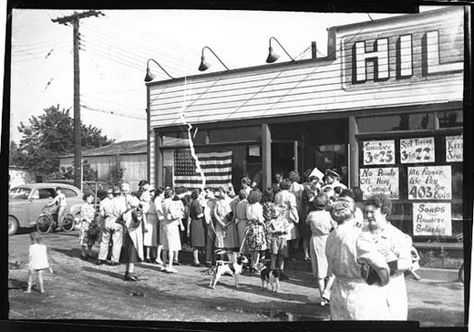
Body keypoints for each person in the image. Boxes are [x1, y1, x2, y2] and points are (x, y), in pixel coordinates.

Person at [325, 197, 391, 320]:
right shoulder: (357, 236)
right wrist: (384, 281)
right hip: (360, 293)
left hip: (338, 291)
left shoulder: (330, 237)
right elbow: (380, 265)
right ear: (354, 213)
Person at [363, 194, 413, 320]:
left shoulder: (396, 235)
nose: (368, 216)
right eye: (366, 212)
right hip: (365, 289)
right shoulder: (360, 232)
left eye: (372, 212)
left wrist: (383, 268)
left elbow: (407, 262)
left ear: (384, 212)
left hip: (390, 289)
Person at [305, 194, 337, 306]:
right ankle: (327, 291)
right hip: (328, 239)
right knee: (330, 266)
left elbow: (307, 222)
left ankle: (323, 294)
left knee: (319, 266)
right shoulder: (329, 215)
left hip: (316, 239)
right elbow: (335, 227)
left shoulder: (311, 214)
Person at [118, 182, 143, 281]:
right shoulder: (128, 202)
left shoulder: (123, 200)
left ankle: (128, 271)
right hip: (132, 230)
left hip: (129, 228)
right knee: (132, 250)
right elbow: (137, 209)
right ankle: (129, 272)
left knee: (130, 250)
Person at [97, 186, 124, 266]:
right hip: (116, 221)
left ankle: (101, 258)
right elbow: (122, 212)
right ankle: (114, 260)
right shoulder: (120, 201)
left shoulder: (104, 201)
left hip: (107, 221)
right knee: (117, 241)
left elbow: (102, 213)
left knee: (104, 240)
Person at [274, 179, 299, 259]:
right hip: (288, 215)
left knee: (282, 234)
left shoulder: (277, 194)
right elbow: (293, 207)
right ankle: (286, 253)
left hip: (279, 214)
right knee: (289, 234)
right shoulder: (290, 195)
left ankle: (282, 253)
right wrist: (296, 217)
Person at [161, 188, 182, 273]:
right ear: (171, 195)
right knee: (171, 246)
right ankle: (170, 266)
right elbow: (173, 215)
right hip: (172, 226)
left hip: (165, 224)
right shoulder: (171, 203)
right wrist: (179, 214)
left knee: (165, 246)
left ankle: (163, 265)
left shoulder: (163, 203)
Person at [245, 189, 267, 272]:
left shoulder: (248, 205)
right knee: (257, 248)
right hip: (257, 227)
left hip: (250, 226)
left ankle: (251, 264)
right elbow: (260, 218)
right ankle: (255, 264)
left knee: (252, 247)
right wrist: (264, 224)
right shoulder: (258, 206)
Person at [213, 187, 238, 260]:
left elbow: (234, 214)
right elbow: (215, 213)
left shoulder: (231, 201)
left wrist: (228, 223)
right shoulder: (218, 202)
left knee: (229, 243)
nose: (219, 193)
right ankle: (222, 261)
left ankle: (230, 261)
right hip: (220, 222)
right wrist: (220, 223)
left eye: (221, 192)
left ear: (225, 192)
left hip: (229, 223)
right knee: (221, 244)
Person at [301, 171, 321, 261]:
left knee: (309, 234)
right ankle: (306, 254)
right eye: (314, 182)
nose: (315, 184)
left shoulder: (311, 189)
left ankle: (308, 253)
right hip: (307, 212)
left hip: (310, 211)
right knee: (306, 235)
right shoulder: (308, 190)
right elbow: (312, 200)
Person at [267, 204, 289, 271]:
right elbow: (269, 231)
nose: (272, 213)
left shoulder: (284, 221)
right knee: (274, 253)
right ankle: (272, 267)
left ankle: (281, 268)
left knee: (281, 255)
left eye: (274, 212)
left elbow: (287, 231)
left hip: (282, 238)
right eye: (272, 212)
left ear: (279, 212)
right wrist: (276, 231)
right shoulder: (272, 221)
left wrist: (283, 231)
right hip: (274, 238)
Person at [188, 189, 206, 266]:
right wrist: (204, 213)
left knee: (196, 243)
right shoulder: (197, 203)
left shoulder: (192, 202)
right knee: (196, 243)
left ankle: (197, 259)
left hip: (194, 222)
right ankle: (196, 261)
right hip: (197, 223)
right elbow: (199, 215)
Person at [143, 188, 159, 263]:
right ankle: (148, 256)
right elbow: (144, 213)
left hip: (155, 219)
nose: (151, 196)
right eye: (150, 195)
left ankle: (154, 256)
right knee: (148, 238)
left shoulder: (157, 202)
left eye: (153, 195)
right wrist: (145, 224)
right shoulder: (147, 203)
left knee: (154, 238)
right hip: (149, 218)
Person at [79, 193, 96, 259]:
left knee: (91, 238)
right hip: (86, 224)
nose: (91, 199)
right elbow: (84, 216)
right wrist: (90, 222)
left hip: (92, 225)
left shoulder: (91, 206)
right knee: (85, 238)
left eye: (92, 198)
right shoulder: (84, 206)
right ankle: (83, 253)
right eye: (89, 197)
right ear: (86, 198)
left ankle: (90, 252)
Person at [154, 187, 165, 265]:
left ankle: (159, 256)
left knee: (162, 240)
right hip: (160, 219)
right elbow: (158, 209)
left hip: (162, 219)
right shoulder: (157, 200)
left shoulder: (159, 200)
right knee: (161, 240)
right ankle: (158, 257)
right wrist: (164, 213)